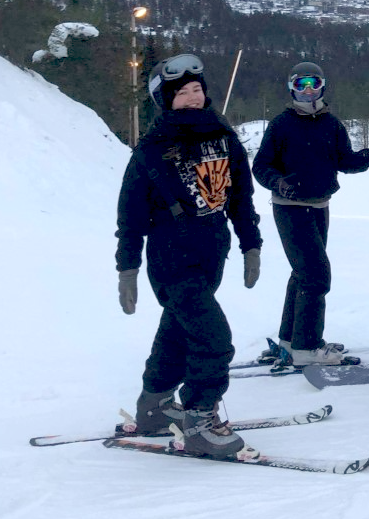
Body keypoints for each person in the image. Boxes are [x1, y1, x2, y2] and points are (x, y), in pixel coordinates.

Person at [115, 53, 262, 459]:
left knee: (178, 334)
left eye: (197, 89)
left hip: (212, 253)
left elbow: (241, 199)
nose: (193, 97)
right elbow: (130, 214)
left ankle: (155, 406)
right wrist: (127, 267)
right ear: (166, 100)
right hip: (171, 259)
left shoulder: (225, 137)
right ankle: (199, 421)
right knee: (214, 340)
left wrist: (251, 244)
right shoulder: (152, 148)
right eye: (183, 92)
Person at [251, 61, 369, 367]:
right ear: (291, 89)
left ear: (323, 86)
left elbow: (346, 161)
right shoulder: (282, 124)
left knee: (304, 273)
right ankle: (307, 347)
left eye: (313, 84)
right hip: (290, 209)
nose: (308, 91)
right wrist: (278, 182)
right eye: (301, 85)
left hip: (320, 208)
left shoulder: (331, 124)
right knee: (315, 274)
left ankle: (290, 338)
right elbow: (261, 165)